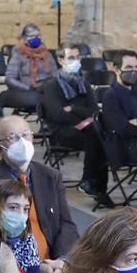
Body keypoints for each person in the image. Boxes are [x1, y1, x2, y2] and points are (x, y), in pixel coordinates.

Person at [0, 114, 75, 273]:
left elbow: (67, 225)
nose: (22, 142)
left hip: (55, 263)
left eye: (26, 134)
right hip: (15, 269)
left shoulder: (50, 176)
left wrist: (61, 262)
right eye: (12, 137)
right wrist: (36, 267)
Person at [37, 41, 110, 205]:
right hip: (61, 132)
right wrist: (82, 115)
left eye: (77, 57)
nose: (75, 61)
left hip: (87, 129)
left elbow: (94, 110)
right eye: (71, 57)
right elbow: (57, 115)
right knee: (95, 132)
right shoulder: (52, 85)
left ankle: (95, 185)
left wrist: (73, 108)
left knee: (99, 132)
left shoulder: (84, 84)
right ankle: (93, 183)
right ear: (61, 60)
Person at [100, 50, 137, 164]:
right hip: (126, 148)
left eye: (136, 67)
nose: (133, 71)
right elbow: (123, 130)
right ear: (116, 69)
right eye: (128, 67)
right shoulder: (110, 97)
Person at [3, 23, 59, 112]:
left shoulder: (47, 54)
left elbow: (55, 74)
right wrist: (28, 88)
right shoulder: (18, 55)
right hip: (27, 91)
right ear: (25, 39)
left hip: (47, 89)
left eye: (38, 35)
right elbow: (9, 79)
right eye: (32, 36)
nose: (36, 38)